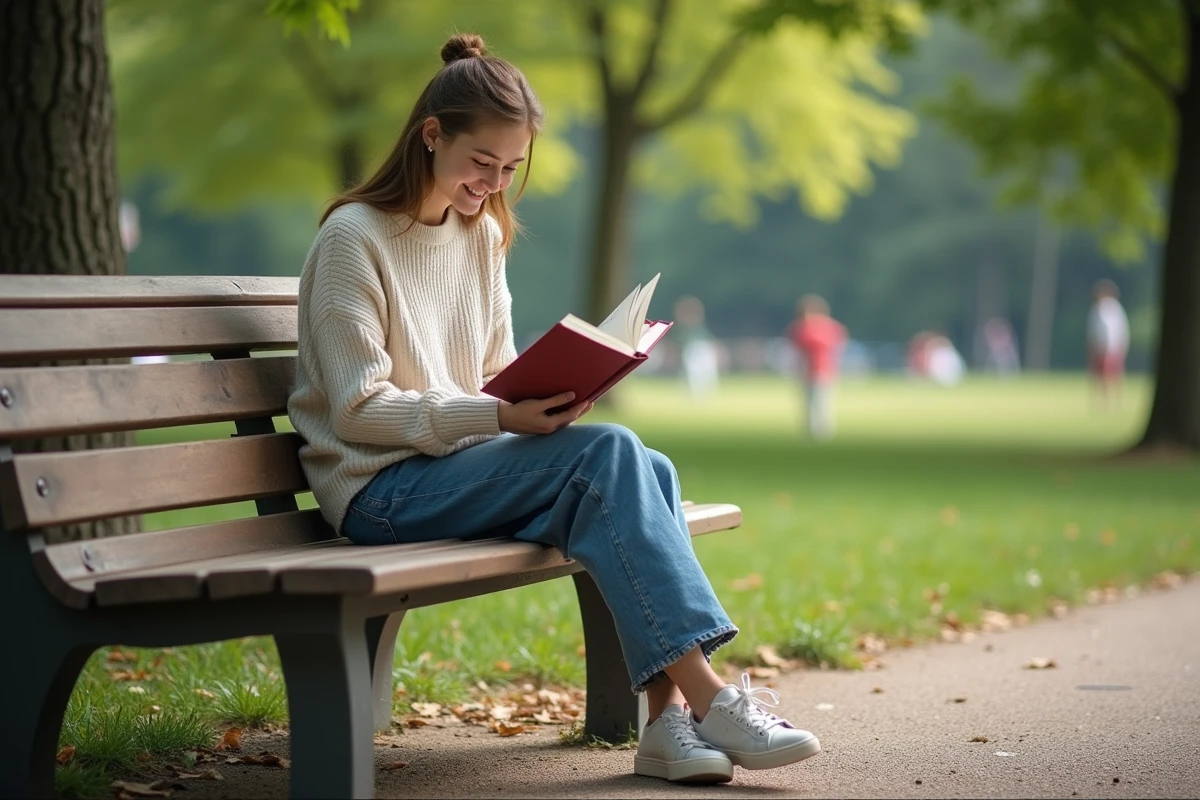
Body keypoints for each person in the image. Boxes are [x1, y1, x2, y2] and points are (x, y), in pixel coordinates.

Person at [286, 33, 820, 785]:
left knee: (647, 466)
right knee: (613, 458)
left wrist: (556, 391)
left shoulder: (480, 235)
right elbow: (358, 411)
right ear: (431, 135)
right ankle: (711, 701)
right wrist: (500, 419)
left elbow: (496, 371)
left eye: (510, 169)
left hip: (457, 466)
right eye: (482, 164)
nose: (493, 184)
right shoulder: (353, 238)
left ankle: (666, 727)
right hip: (381, 490)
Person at [787, 295, 847, 441]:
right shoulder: (800, 328)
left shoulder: (827, 327)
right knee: (808, 402)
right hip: (805, 370)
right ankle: (811, 429)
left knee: (822, 400)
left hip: (824, 369)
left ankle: (822, 430)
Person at [1086, 279, 1129, 409]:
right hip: (1099, 349)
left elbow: (1119, 331)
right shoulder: (1097, 309)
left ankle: (1113, 402)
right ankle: (1102, 402)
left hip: (1111, 349)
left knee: (1113, 376)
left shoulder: (1114, 309)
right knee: (1099, 377)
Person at [674, 295, 720, 400]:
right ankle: (695, 394)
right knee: (692, 374)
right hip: (692, 350)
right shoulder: (684, 331)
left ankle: (706, 394)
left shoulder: (700, 330)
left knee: (707, 373)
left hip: (702, 349)